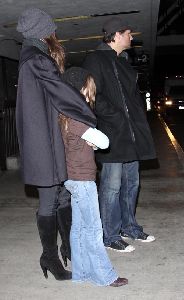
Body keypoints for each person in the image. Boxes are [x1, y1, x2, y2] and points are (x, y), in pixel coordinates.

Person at [16, 8, 97, 281]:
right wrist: (86, 112)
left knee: (63, 195)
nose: (55, 33)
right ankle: (49, 257)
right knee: (50, 200)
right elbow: (59, 91)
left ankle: (69, 248)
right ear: (43, 32)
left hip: (49, 139)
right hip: (43, 143)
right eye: (52, 29)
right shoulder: (36, 58)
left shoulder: (35, 56)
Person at [83, 17, 156, 253]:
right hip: (113, 134)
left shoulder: (123, 61)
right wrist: (116, 116)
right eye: (128, 33)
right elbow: (93, 96)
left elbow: (132, 97)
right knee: (111, 187)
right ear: (115, 35)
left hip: (131, 133)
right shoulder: (95, 59)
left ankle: (129, 227)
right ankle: (109, 234)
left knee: (132, 184)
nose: (131, 37)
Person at [59, 66, 128, 287]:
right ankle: (105, 275)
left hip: (71, 177)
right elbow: (104, 142)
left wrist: (92, 142)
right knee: (93, 230)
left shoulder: (63, 115)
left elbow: (82, 143)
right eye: (89, 90)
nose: (92, 95)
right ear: (79, 90)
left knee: (79, 228)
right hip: (82, 180)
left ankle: (82, 272)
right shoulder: (77, 118)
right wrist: (95, 140)